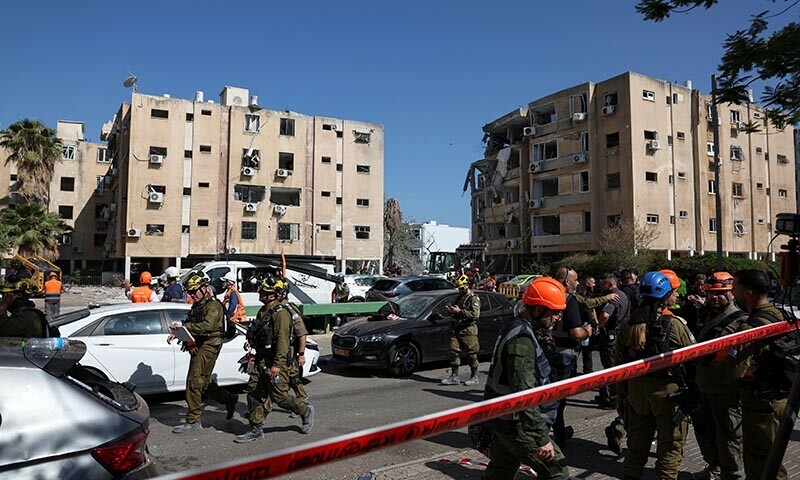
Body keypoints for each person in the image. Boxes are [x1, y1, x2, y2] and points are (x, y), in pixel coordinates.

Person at [482, 277, 570, 480]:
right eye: (554, 312)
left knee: (501, 470)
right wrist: (541, 438)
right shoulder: (522, 341)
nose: (558, 318)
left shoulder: (517, 326)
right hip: (516, 423)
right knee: (557, 471)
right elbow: (524, 395)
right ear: (538, 310)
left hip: (505, 420)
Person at [616, 271, 695, 480]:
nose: (676, 296)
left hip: (636, 394)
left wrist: (622, 397)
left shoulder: (627, 326)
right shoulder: (675, 325)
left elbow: (619, 367)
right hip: (668, 396)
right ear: (664, 297)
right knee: (669, 451)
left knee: (635, 450)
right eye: (673, 292)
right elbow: (693, 357)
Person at [725, 269, 790, 480]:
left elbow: (737, 370)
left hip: (761, 404)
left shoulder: (749, 327)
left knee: (761, 460)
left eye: (735, 286)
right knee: (773, 456)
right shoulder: (781, 315)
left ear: (748, 293)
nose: (731, 291)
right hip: (781, 397)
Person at [235, 276, 314, 443]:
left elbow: (282, 341)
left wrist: (277, 365)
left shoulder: (281, 313)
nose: (260, 293)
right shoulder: (263, 311)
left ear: (273, 295)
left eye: (264, 291)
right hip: (260, 359)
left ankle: (305, 410)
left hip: (274, 361)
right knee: (253, 393)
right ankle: (256, 429)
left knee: (280, 398)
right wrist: (251, 340)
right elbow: (260, 331)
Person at [691, 271, 746, 480]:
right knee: (705, 432)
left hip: (726, 390)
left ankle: (732, 475)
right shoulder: (706, 316)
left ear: (731, 294)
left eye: (720, 293)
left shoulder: (740, 321)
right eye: (711, 293)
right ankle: (714, 468)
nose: (714, 297)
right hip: (703, 385)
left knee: (729, 436)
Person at [168, 274, 237, 433]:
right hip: (198, 344)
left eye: (194, 291)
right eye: (190, 292)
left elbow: (207, 326)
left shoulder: (214, 305)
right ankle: (228, 398)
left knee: (194, 381)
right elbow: (191, 322)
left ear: (204, 288)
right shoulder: (198, 305)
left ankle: (193, 421)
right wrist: (179, 332)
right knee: (203, 383)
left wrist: (186, 328)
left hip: (209, 345)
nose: (192, 295)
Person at [542, 266, 594, 445]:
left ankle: (557, 433)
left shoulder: (547, 294)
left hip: (547, 353)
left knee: (549, 395)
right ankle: (554, 437)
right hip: (564, 355)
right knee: (558, 399)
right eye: (575, 280)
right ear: (566, 281)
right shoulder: (569, 300)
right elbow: (576, 333)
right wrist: (587, 331)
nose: (577, 283)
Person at [276, 277, 311, 416]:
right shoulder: (274, 309)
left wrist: (301, 354)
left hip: (288, 351)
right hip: (278, 350)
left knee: (292, 377)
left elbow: (302, 333)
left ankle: (301, 403)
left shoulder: (289, 310)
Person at [594, 273, 629, 409]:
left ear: (610, 285)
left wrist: (599, 325)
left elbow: (605, 314)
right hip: (621, 334)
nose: (601, 286)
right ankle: (614, 396)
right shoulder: (624, 295)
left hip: (611, 336)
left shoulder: (613, 297)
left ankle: (613, 399)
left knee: (610, 368)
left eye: (603, 284)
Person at [441, 275, 481, 386]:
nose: (460, 290)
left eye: (462, 288)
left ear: (467, 286)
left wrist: (460, 311)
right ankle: (454, 376)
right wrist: (450, 310)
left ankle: (474, 376)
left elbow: (475, 314)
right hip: (457, 328)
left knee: (471, 354)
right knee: (453, 352)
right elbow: (456, 310)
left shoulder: (473, 299)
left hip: (468, 330)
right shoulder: (459, 297)